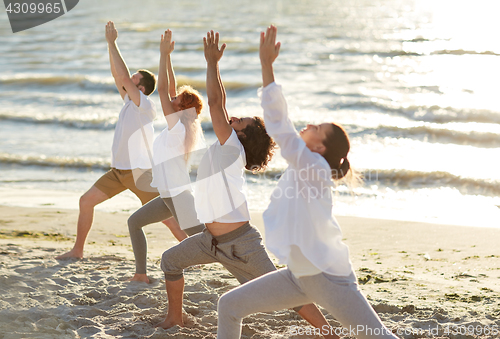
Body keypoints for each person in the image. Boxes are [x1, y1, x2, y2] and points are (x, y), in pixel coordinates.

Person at [216, 26, 399, 339]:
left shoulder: (313, 166)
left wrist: (267, 66)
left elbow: (281, 127)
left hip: (327, 276)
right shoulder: (306, 167)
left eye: (318, 127)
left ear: (320, 148)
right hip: (299, 275)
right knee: (229, 306)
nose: (310, 124)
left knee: (377, 337)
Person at [155, 30, 337, 339]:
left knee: (288, 291)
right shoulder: (228, 146)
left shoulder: (231, 148)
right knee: (170, 261)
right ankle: (175, 317)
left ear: (244, 136)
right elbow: (221, 106)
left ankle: (329, 333)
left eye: (242, 122)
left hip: (242, 245)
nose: (234, 119)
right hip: (208, 240)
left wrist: (212, 63)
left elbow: (215, 102)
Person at [56, 21, 176, 259]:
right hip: (118, 173)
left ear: (140, 88)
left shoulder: (145, 105)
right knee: (86, 201)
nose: (127, 80)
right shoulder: (129, 102)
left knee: (169, 219)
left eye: (133, 79)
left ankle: (198, 251)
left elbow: (121, 74)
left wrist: (113, 42)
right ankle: (78, 251)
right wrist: (109, 46)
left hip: (139, 173)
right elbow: (117, 73)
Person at [127, 29, 205, 283]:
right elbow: (169, 88)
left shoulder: (178, 126)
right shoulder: (181, 124)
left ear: (182, 108)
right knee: (134, 222)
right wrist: (168, 57)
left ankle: (244, 265)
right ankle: (141, 275)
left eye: (177, 99)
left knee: (211, 243)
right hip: (168, 194)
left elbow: (162, 89)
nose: (171, 98)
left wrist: (161, 55)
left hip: (178, 196)